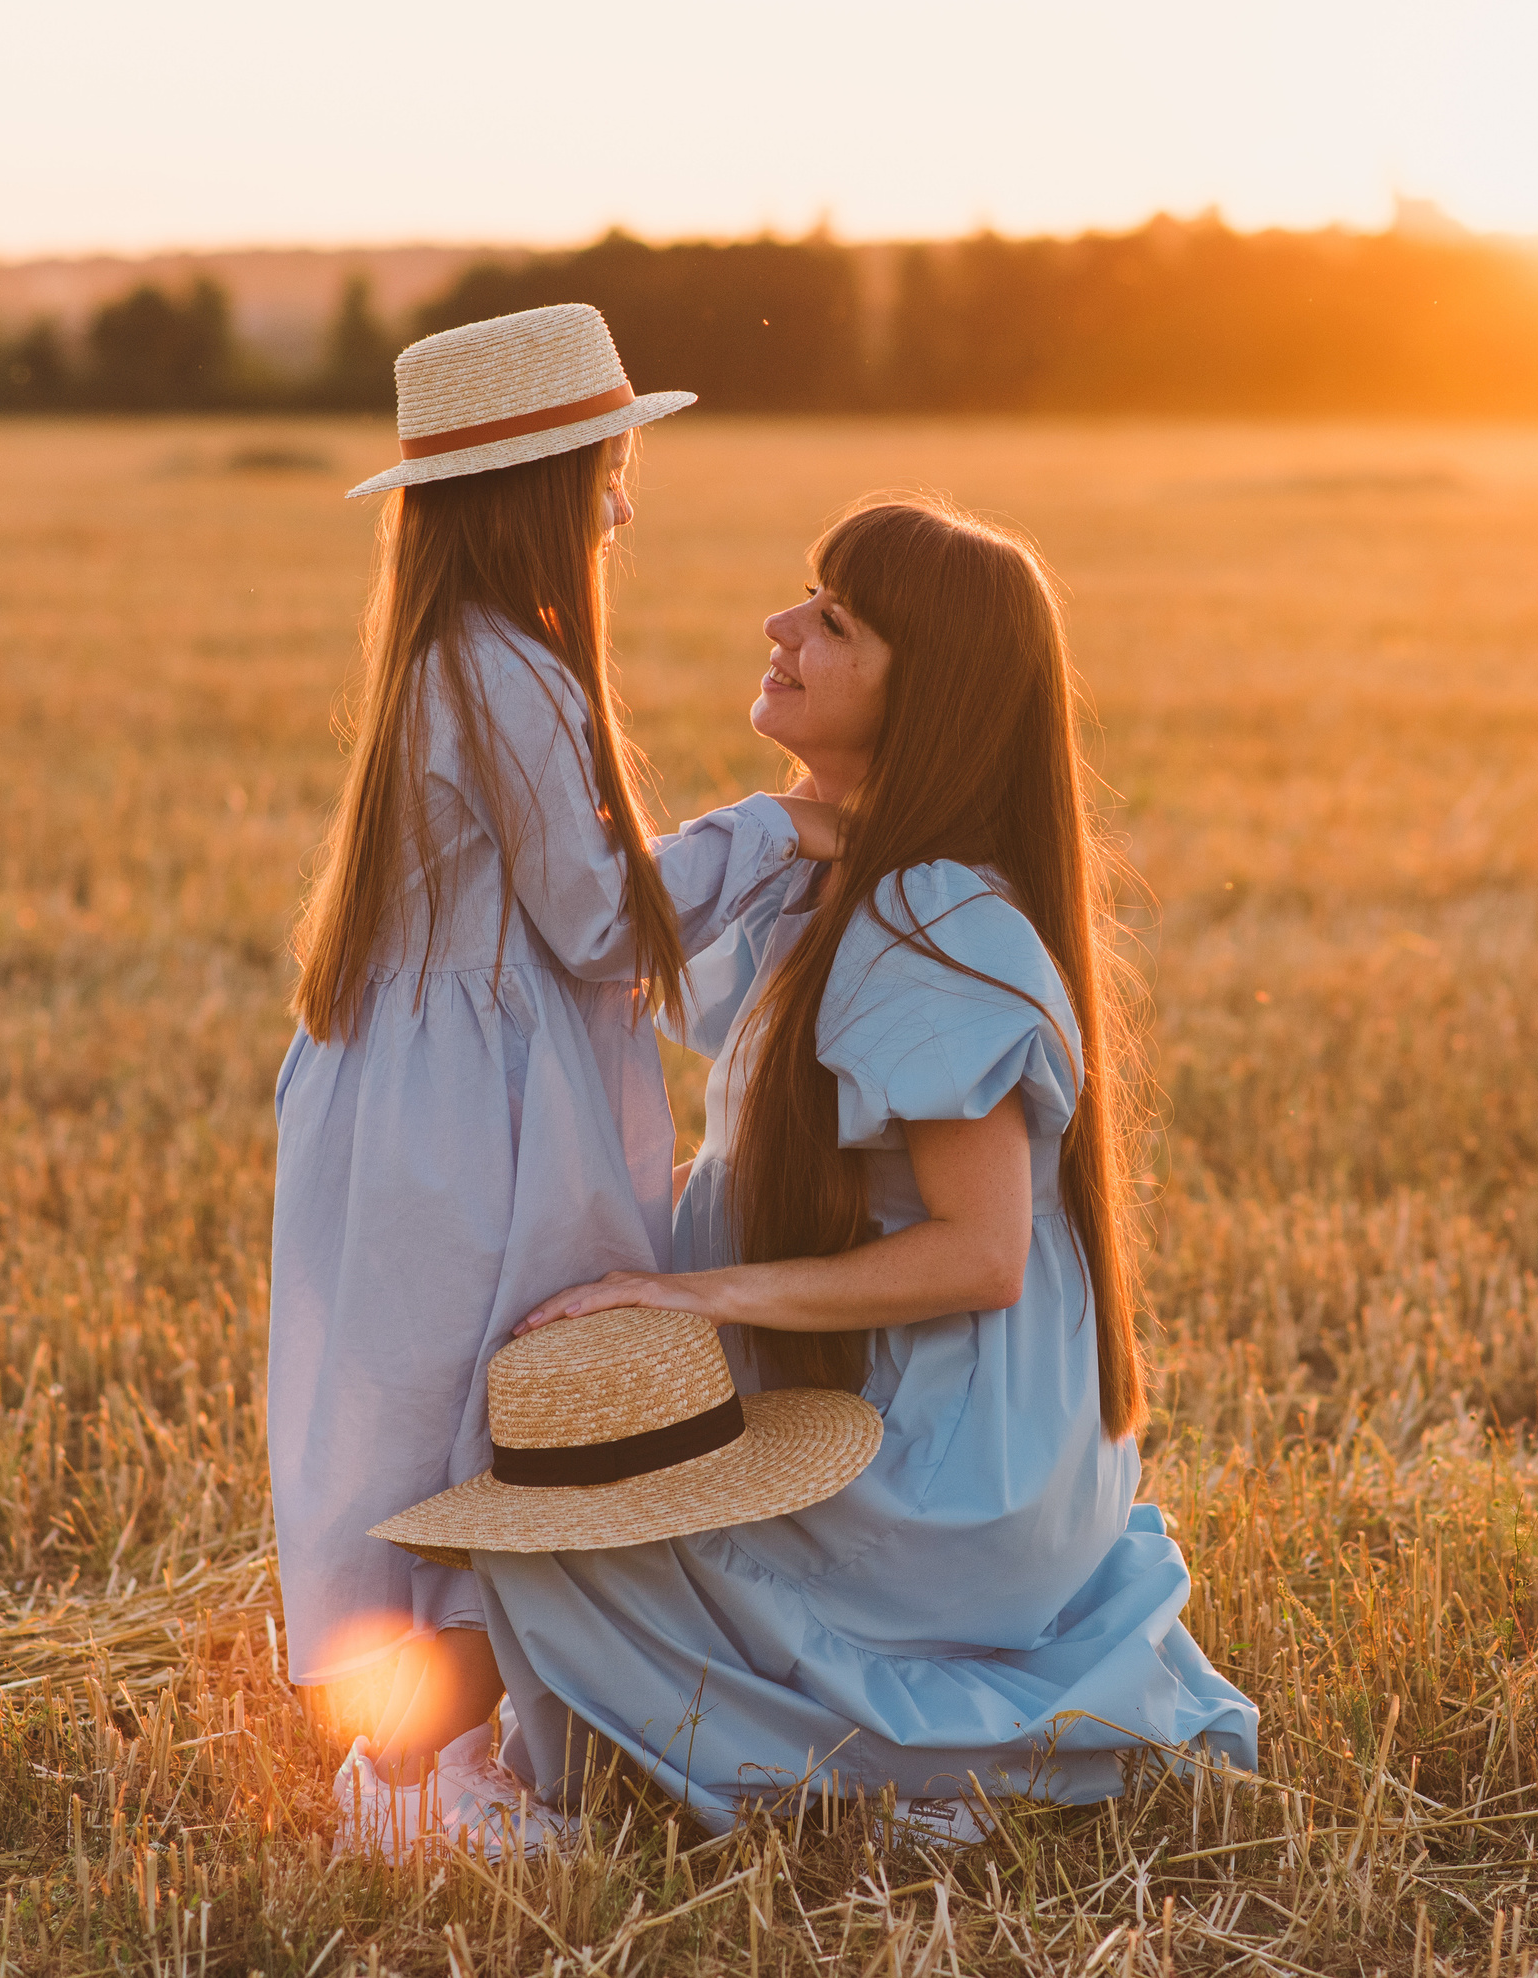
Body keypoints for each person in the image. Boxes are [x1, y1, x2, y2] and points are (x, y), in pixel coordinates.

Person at [467, 496, 1258, 1832]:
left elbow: (980, 1249)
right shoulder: (830, 868)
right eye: (804, 598)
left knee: (548, 1556)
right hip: (903, 1417)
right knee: (547, 1527)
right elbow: (611, 942)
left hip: (941, 1461)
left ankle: (889, 1769)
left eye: (832, 622)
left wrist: (691, 1298)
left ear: (925, 693)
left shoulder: (926, 912)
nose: (781, 629)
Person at [267, 303, 838, 1830]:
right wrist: (778, 830)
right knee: (493, 1428)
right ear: (541, 486)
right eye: (608, 467)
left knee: (415, 1414)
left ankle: (418, 1752)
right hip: (482, 1119)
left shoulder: (442, 655)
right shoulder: (510, 670)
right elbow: (596, 927)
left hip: (404, 1095)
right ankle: (413, 1782)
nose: (624, 502)